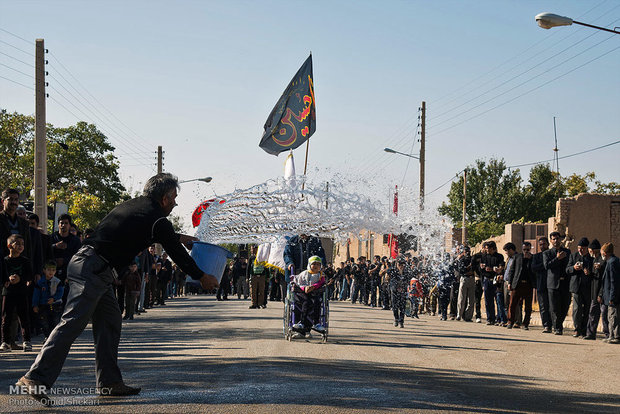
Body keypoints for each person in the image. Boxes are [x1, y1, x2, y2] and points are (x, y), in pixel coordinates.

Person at [17, 173, 219, 405]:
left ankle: (109, 383)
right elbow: (174, 250)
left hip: (92, 266)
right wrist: (201, 276)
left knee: (111, 320)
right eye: (173, 198)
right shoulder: (157, 219)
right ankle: (35, 378)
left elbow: (167, 237)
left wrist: (185, 239)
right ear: (163, 198)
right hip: (93, 268)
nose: (175, 203)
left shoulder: (136, 207)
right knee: (72, 322)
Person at [1, 234, 34, 352]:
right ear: (10, 246)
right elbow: (2, 275)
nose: (21, 246)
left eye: (22, 244)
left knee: (24, 316)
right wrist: (7, 279)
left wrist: (21, 278)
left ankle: (27, 341)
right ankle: (5, 341)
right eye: (18, 244)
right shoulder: (4, 261)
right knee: (6, 317)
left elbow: (30, 275)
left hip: (21, 291)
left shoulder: (25, 261)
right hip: (8, 292)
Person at [543, 231, 571, 335]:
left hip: (565, 283)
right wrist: (557, 259)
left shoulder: (567, 252)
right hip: (553, 284)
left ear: (560, 239)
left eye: (557, 239)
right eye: (553, 239)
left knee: (565, 306)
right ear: (550, 241)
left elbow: (569, 265)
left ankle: (559, 323)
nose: (556, 241)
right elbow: (547, 266)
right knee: (554, 307)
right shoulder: (547, 253)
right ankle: (558, 328)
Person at [291, 256, 326, 336]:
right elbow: (298, 283)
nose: (316, 266)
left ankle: (316, 323)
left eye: (318, 264)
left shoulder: (321, 275)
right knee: (306, 302)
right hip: (303, 293)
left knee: (317, 302)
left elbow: (321, 283)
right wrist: (305, 288)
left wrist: (313, 287)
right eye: (314, 264)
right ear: (309, 265)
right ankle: (302, 323)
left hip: (315, 293)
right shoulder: (304, 274)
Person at [566, 237, 593, 338]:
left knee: (586, 309)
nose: (580, 250)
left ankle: (584, 329)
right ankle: (577, 329)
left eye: (582, 248)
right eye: (579, 248)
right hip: (576, 287)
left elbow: (594, 274)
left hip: (587, 288)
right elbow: (567, 270)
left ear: (587, 248)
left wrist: (588, 273)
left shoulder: (591, 259)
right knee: (576, 310)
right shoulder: (573, 256)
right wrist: (574, 268)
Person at [505, 242, 535, 330]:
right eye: (524, 249)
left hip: (528, 285)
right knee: (512, 304)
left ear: (530, 249)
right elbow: (511, 270)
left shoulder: (533, 258)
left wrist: (529, 260)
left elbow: (534, 270)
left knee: (528, 306)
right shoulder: (517, 257)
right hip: (517, 284)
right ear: (522, 249)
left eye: (528, 250)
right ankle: (510, 321)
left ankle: (525, 324)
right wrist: (510, 283)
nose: (526, 251)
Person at [32, 261, 64, 340]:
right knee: (44, 322)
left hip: (56, 305)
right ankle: (47, 336)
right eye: (49, 270)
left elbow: (60, 292)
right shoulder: (40, 283)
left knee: (55, 321)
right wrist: (35, 305)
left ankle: (54, 338)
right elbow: (36, 294)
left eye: (53, 270)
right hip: (43, 305)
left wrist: (54, 298)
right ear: (44, 270)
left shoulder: (58, 282)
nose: (51, 272)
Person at [584, 240, 608, 340]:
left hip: (602, 293)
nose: (589, 253)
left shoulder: (604, 261)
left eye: (590, 251)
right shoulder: (594, 260)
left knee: (605, 315)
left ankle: (608, 334)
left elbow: (604, 279)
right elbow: (594, 278)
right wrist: (589, 273)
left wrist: (601, 294)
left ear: (594, 250)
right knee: (592, 313)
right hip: (594, 293)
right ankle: (590, 334)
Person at [599, 243, 619, 344]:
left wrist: (612, 296)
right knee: (610, 316)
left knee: (613, 316)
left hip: (613, 296)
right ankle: (611, 335)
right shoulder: (610, 261)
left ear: (605, 253)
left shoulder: (612, 262)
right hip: (609, 295)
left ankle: (616, 336)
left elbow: (613, 281)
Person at [531, 237, 552, 333]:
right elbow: (534, 268)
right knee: (543, 307)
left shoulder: (553, 254)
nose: (542, 246)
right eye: (540, 244)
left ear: (548, 244)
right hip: (541, 285)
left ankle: (554, 325)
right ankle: (546, 325)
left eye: (544, 244)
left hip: (552, 284)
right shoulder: (537, 256)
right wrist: (546, 265)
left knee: (553, 306)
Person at [388, 258, 409, 328]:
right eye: (399, 265)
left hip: (403, 291)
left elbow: (408, 278)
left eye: (402, 265)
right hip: (395, 291)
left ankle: (401, 321)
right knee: (395, 306)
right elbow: (388, 271)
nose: (400, 266)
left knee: (402, 307)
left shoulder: (406, 272)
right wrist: (393, 264)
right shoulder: (393, 270)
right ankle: (396, 319)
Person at [456, 246, 475, 322]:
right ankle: (459, 315)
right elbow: (461, 270)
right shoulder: (462, 260)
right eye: (466, 251)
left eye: (468, 251)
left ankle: (468, 316)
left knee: (471, 299)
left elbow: (475, 268)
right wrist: (468, 268)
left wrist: (471, 270)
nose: (467, 252)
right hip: (464, 278)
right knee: (461, 298)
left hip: (471, 279)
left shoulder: (472, 259)